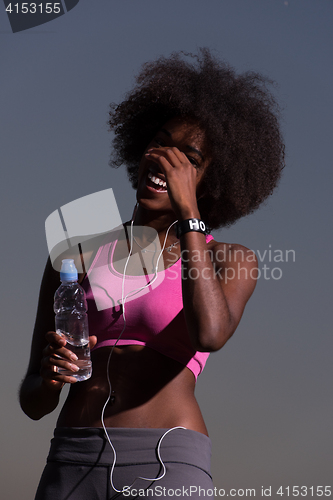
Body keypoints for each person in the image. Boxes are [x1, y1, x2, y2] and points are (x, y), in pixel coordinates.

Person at [19, 49, 285, 499]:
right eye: (162, 142)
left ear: (211, 183)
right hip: (70, 457)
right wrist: (47, 377)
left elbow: (211, 334)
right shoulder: (72, 256)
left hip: (167, 459)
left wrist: (189, 214)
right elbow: (33, 403)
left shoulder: (230, 259)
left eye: (190, 159)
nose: (166, 160)